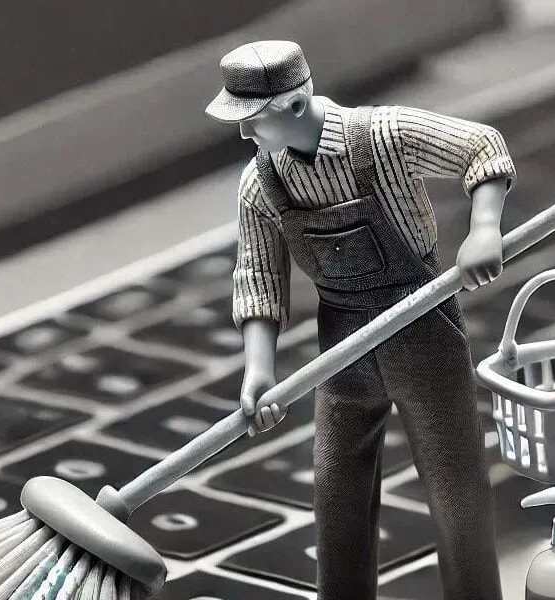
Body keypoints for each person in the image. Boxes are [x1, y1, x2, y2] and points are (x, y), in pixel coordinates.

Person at [205, 40, 514, 600]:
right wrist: (258, 368)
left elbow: (482, 147)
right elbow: (258, 275)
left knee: (455, 487)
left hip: (420, 323)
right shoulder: (261, 185)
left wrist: (484, 226)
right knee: (336, 490)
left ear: (295, 107)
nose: (245, 134)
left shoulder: (384, 136)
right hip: (341, 341)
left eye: (253, 120)